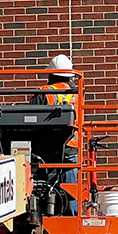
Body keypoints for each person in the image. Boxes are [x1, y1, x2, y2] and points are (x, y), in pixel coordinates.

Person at [30, 54, 79, 215]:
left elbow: (29, 121)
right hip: (71, 148)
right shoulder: (77, 94)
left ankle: (43, 213)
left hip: (46, 149)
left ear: (51, 74)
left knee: (39, 184)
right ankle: (72, 218)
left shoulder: (44, 92)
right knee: (71, 190)